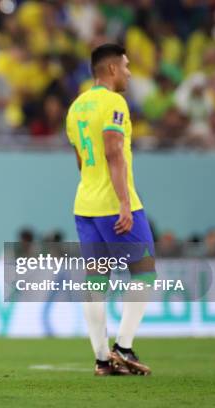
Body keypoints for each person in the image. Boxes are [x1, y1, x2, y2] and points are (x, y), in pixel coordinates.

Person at [66, 44, 156, 376]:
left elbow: (80, 160)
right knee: (144, 272)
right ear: (113, 69)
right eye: (127, 66)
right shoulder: (114, 102)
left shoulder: (75, 108)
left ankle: (103, 359)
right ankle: (124, 346)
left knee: (96, 280)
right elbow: (114, 151)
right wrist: (122, 202)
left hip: (85, 205)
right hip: (114, 204)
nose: (130, 72)